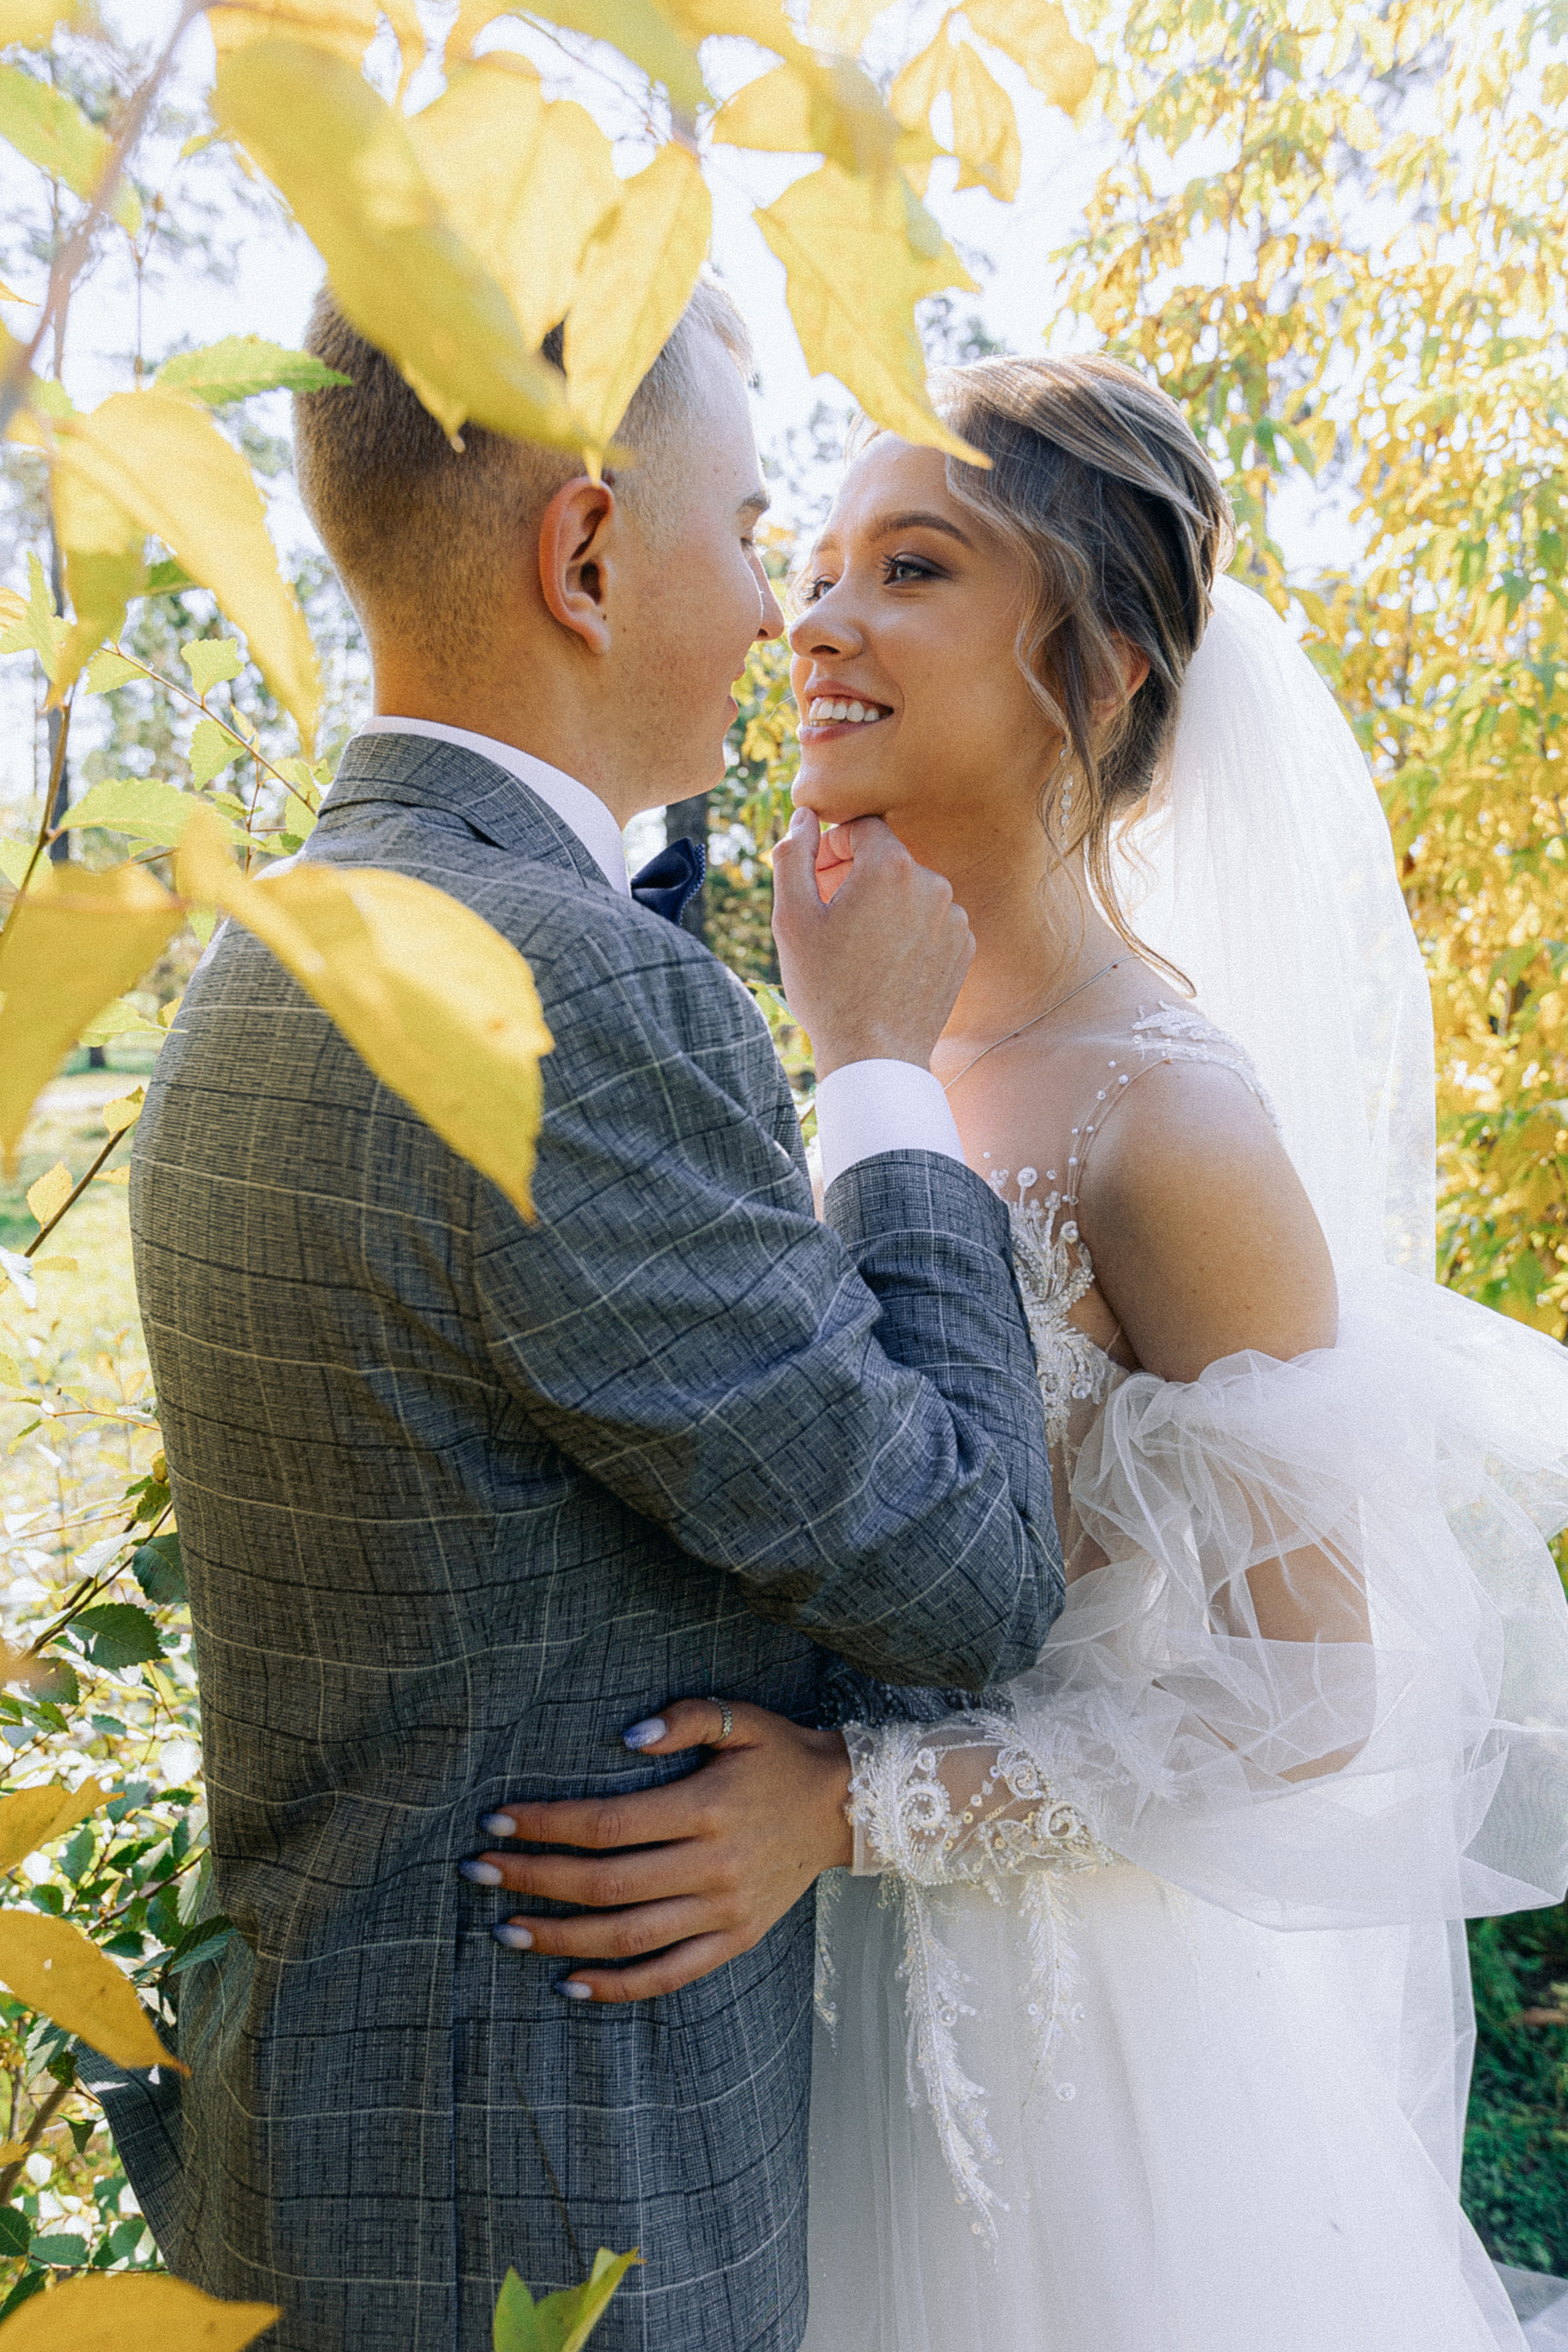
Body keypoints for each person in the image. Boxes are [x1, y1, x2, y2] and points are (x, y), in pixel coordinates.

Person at [505, 355, 1568, 2350]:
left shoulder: (1170, 1122)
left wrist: (858, 1809)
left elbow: (1318, 1692)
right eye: (811, 566)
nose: (814, 619)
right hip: (776, 2011)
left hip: (1056, 2061)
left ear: (1096, 673)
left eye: (910, 568)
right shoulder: (838, 1043)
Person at [102, 290, 1068, 2351]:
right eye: (745, 534)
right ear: (590, 555)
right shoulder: (567, 998)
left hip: (329, 2166)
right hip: (543, 2217)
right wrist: (884, 1071)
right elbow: (974, 1574)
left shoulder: (271, 954)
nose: (769, 619)